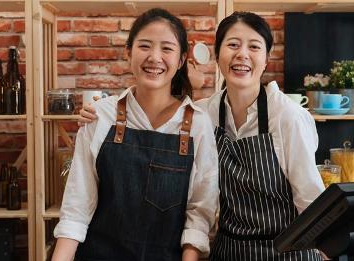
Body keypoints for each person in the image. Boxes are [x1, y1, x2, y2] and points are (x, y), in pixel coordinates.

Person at [79, 11, 325, 261]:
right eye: (233, 45)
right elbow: (154, 112)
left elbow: (311, 200)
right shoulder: (205, 112)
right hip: (230, 251)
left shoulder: (288, 117)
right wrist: (102, 112)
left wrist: (325, 251)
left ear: (266, 58)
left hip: (286, 252)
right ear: (217, 55)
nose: (242, 54)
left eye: (254, 46)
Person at [52, 8, 218, 261]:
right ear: (128, 51)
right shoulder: (100, 116)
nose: (154, 57)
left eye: (166, 48)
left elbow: (199, 213)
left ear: (182, 59)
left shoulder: (197, 123)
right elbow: (77, 207)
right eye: (145, 46)